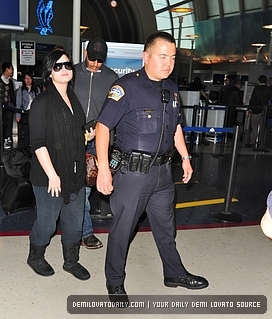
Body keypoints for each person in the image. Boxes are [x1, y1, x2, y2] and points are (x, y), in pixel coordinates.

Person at [95, 31, 209, 302]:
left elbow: (175, 127)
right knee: (123, 230)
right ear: (145, 57)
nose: (168, 63)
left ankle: (174, 273)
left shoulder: (171, 88)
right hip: (133, 174)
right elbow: (102, 127)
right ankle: (114, 281)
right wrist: (103, 169)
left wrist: (185, 157)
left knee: (166, 227)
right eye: (162, 56)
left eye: (172, 57)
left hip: (162, 174)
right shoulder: (126, 88)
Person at [27, 49, 94, 281]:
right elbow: (37, 143)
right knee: (47, 223)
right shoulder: (41, 103)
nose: (64, 69)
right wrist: (53, 175)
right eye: (58, 66)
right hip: (49, 176)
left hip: (74, 172)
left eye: (67, 65)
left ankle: (71, 261)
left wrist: (87, 134)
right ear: (49, 72)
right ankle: (35, 256)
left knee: (75, 222)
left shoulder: (72, 98)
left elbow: (72, 132)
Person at [73, 37, 119, 250]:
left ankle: (85, 232)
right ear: (85, 54)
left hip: (97, 142)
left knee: (86, 188)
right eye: (92, 59)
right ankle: (76, 227)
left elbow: (115, 111)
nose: (95, 64)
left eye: (100, 61)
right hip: (73, 139)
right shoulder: (71, 73)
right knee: (73, 187)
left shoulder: (112, 78)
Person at [15, 71, 41, 148]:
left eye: (30, 78)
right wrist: (18, 115)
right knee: (26, 131)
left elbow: (40, 102)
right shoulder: (21, 91)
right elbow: (18, 103)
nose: (28, 80)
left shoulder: (37, 90)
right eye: (26, 78)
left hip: (35, 113)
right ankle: (26, 146)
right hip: (25, 113)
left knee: (34, 130)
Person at [246, 75, 272, 147]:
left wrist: (248, 109)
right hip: (265, 110)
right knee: (263, 127)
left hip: (256, 110)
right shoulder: (269, 89)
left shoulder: (256, 89)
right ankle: (262, 142)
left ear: (258, 81)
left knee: (254, 127)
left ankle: (252, 142)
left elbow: (252, 99)